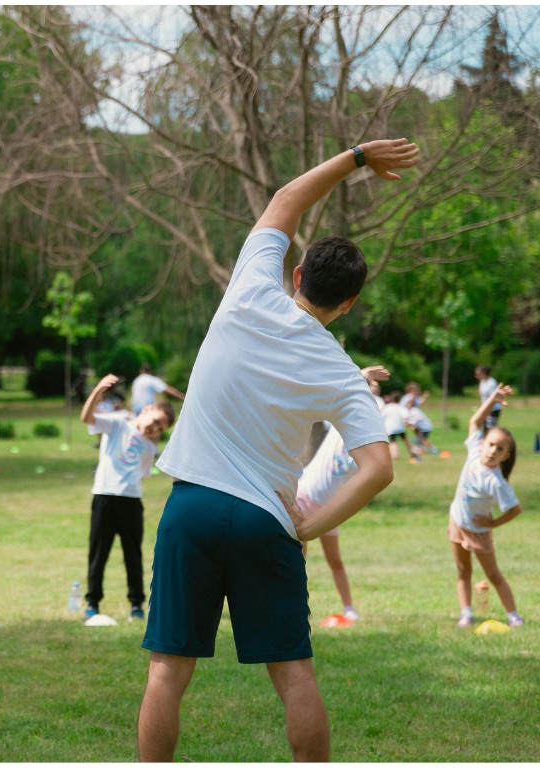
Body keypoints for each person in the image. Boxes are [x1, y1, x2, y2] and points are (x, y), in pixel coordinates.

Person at [137, 138, 417, 762]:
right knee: (295, 675)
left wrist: (358, 158)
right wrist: (311, 525)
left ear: (295, 275)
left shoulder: (249, 291)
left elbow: (287, 199)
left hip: (192, 510)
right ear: (347, 305)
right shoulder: (342, 370)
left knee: (166, 674)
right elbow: (378, 468)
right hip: (269, 520)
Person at [298, 366, 390, 624]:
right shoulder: (340, 423)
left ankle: (349, 607)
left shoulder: (371, 443)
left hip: (332, 507)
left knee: (334, 559)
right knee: (297, 558)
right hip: (304, 495)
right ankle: (296, 607)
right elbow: (341, 389)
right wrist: (363, 375)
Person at [80, 373, 174, 622]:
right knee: (98, 551)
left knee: (133, 554)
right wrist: (99, 388)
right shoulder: (117, 423)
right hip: (105, 496)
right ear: (147, 409)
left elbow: (142, 474)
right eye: (155, 421)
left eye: (160, 428)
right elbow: (86, 418)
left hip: (131, 501)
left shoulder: (149, 447)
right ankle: (92, 601)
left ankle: (137, 604)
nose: (154, 429)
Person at [448, 382, 523, 629]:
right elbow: (475, 422)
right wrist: (493, 399)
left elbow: (514, 509)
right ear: (482, 444)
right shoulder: (473, 452)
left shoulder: (496, 482)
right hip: (458, 521)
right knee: (462, 570)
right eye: (490, 444)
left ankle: (514, 616)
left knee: (493, 575)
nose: (492, 451)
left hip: (479, 530)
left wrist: (492, 523)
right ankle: (466, 614)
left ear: (506, 456)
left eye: (500, 449)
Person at [381, 392, 419, 462]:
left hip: (390, 427)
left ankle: (395, 455)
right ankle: (412, 452)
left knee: (393, 441)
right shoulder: (400, 407)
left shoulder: (387, 407)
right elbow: (406, 416)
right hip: (400, 426)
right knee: (405, 439)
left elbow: (382, 416)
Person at [475, 365, 501, 429]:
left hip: (493, 409)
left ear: (483, 373)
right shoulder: (482, 382)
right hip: (485, 408)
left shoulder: (492, 383)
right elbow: (483, 397)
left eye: (478, 374)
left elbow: (492, 398)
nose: (476, 376)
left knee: (490, 428)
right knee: (485, 427)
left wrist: (487, 409)